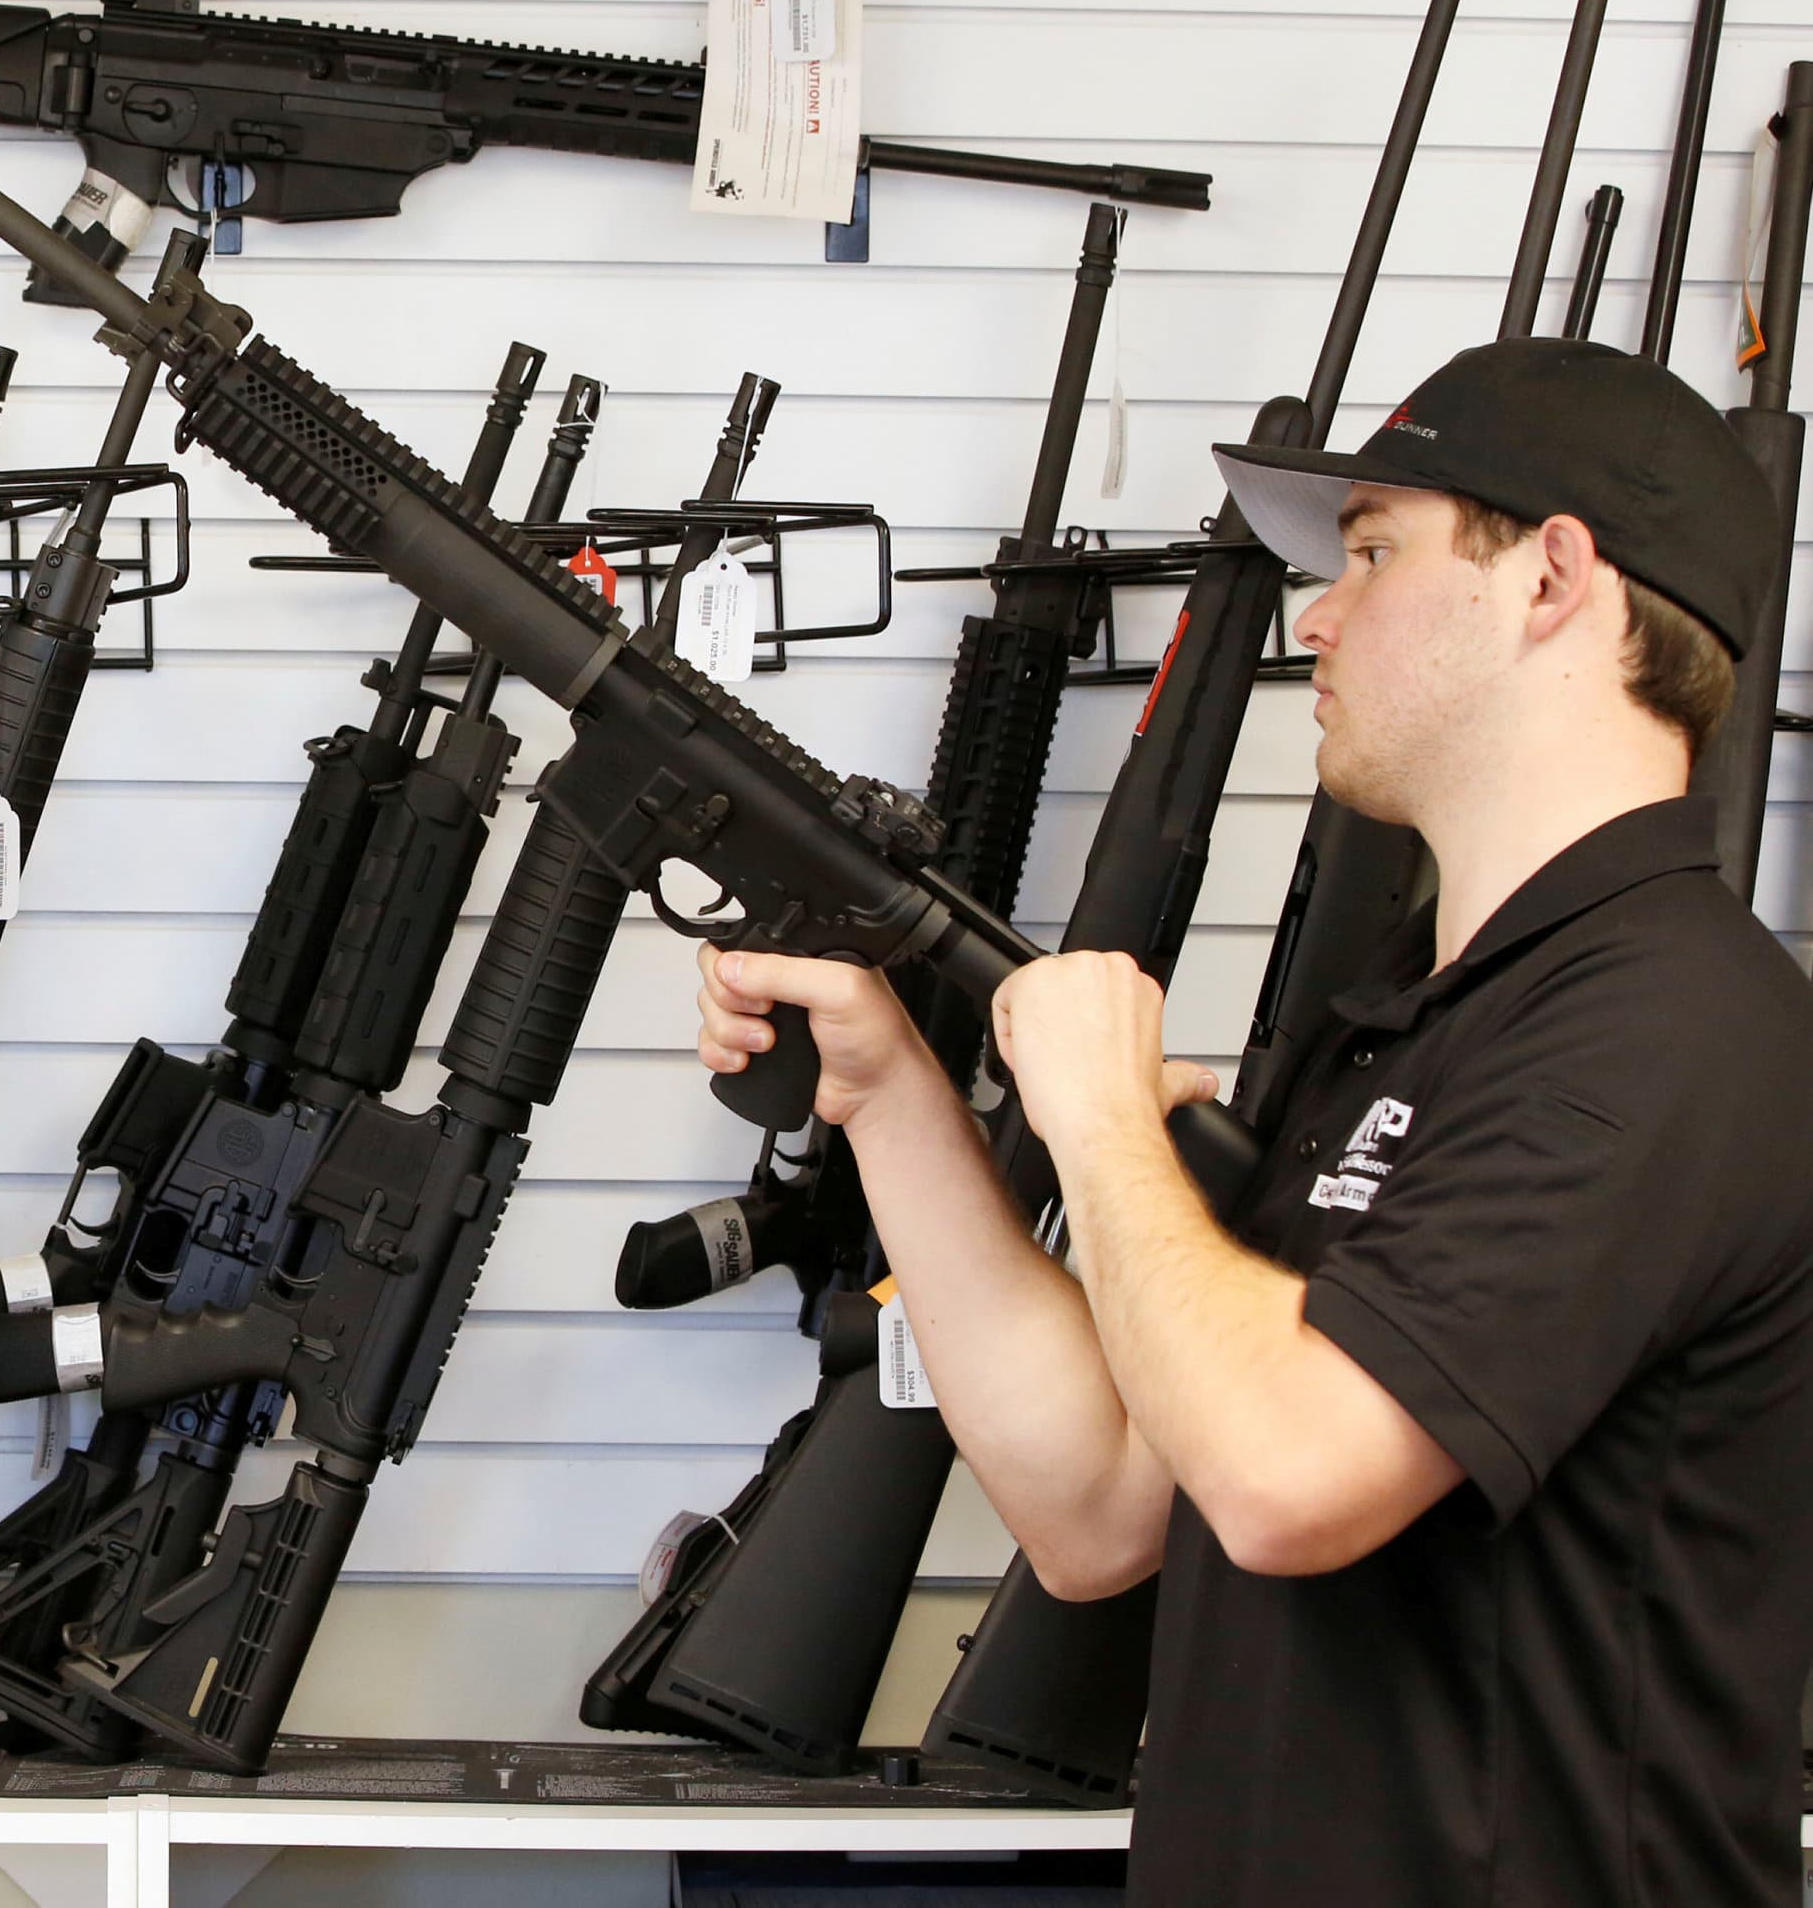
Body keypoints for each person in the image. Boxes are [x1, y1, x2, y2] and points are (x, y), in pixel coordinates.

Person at [697, 336, 1813, 1906]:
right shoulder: (1407, 1023)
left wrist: (1100, 1127)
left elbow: (1291, 1476)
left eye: (1371, 553)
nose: (1323, 614)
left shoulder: (1664, 1029)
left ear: (1554, 578)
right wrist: (890, 1096)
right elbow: (1099, 1508)